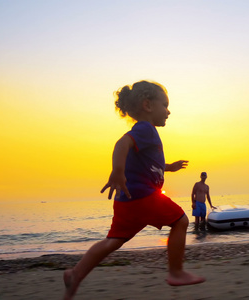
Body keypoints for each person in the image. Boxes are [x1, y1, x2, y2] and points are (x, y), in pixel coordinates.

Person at [62, 81, 205, 300]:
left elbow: (148, 163)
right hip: (142, 196)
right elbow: (122, 143)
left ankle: (76, 273)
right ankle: (176, 272)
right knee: (181, 221)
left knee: (113, 241)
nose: (168, 111)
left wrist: (169, 167)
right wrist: (117, 171)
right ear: (148, 105)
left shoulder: (146, 133)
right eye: (165, 105)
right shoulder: (145, 129)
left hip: (126, 201)